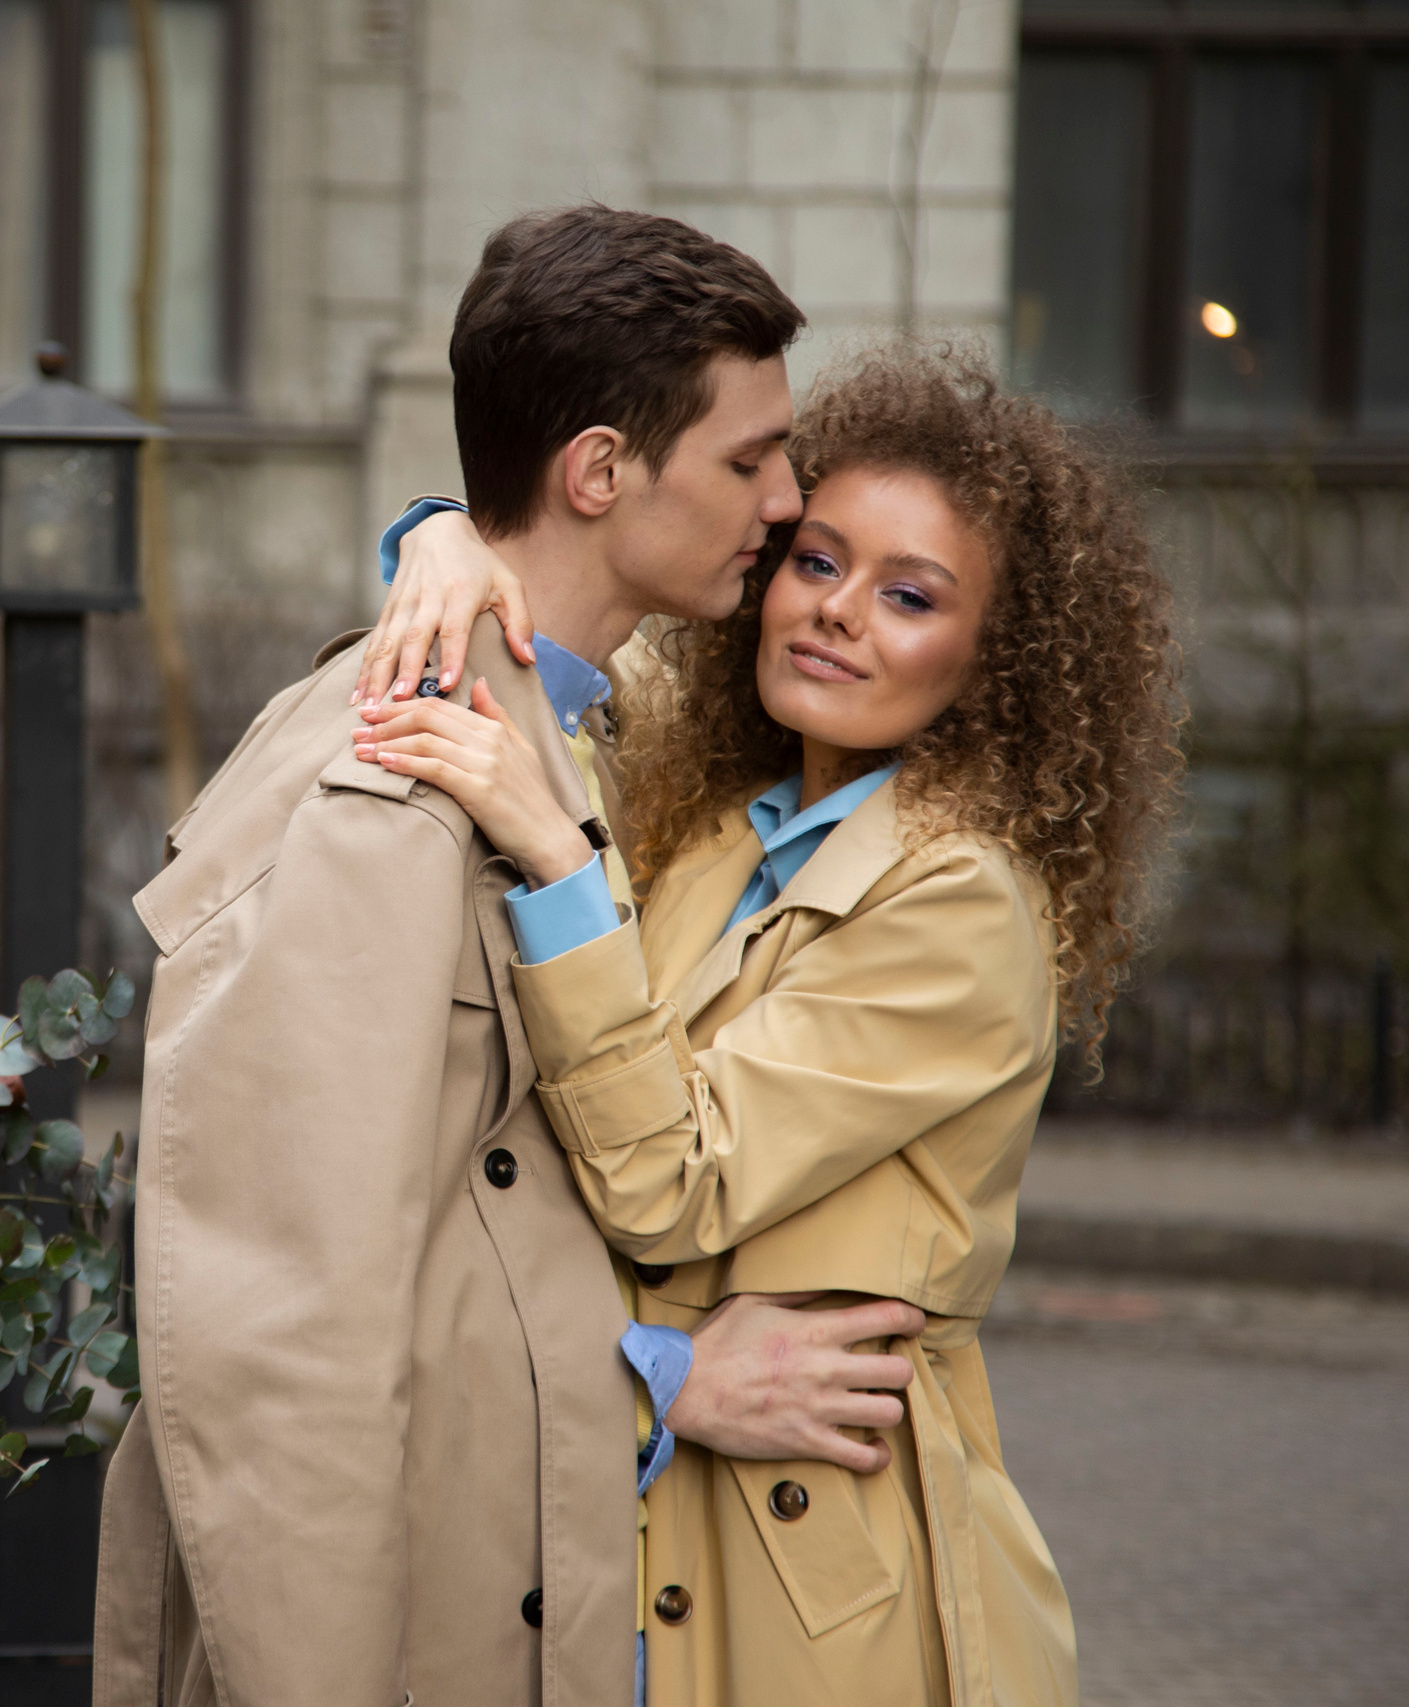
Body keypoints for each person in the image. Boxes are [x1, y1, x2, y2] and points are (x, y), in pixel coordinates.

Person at [91, 208, 940, 1707]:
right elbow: (283, 1341)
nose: (788, 499)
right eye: (749, 460)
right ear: (603, 472)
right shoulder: (406, 783)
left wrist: (437, 528)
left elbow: (500, 1221)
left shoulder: (544, 725)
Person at [347, 347, 1185, 1706]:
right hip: (637, 1519)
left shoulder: (961, 902)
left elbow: (671, 1185)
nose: (839, 613)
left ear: (998, 655)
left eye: (909, 597)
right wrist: (441, 538)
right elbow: (547, 642)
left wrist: (563, 869)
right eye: (817, 562)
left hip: (818, 1588)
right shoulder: (721, 809)